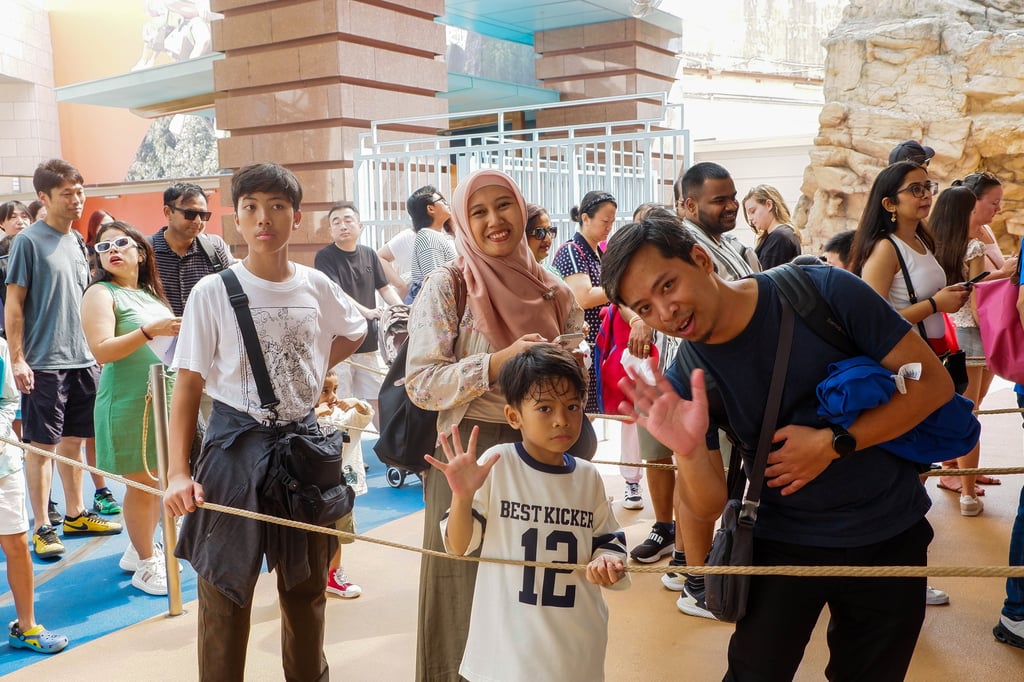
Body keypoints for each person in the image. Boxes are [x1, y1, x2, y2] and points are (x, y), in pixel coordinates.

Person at [602, 214, 950, 681]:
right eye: (645, 308)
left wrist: (833, 443)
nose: (665, 312)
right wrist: (687, 450)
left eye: (668, 285)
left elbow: (934, 385)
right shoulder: (688, 375)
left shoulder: (823, 291)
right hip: (779, 542)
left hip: (886, 528)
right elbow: (706, 505)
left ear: (701, 259)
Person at [162, 162, 366, 681]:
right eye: (250, 207)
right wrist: (177, 473)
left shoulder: (315, 284)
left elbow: (355, 329)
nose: (263, 218)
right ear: (237, 218)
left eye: (277, 206)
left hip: (303, 447)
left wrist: (317, 367)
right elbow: (188, 384)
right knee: (224, 590)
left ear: (296, 217)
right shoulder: (213, 290)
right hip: (234, 449)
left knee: (306, 589)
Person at [405, 169, 584, 681]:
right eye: (477, 212)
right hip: (469, 454)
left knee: (532, 591)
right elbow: (421, 383)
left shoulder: (554, 292)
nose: (493, 221)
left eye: (503, 205)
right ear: (462, 221)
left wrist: (569, 369)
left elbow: (576, 379)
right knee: (461, 587)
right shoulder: (450, 284)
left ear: (521, 210)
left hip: (543, 456)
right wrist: (497, 363)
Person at [427, 345, 629, 681]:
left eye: (572, 406)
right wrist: (462, 497)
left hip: (576, 645)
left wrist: (607, 563)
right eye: (545, 408)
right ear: (514, 416)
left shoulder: (588, 476)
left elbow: (608, 542)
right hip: (508, 650)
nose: (561, 419)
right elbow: (459, 545)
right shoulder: (498, 463)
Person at [648, 163, 761, 616]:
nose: (731, 206)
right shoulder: (683, 247)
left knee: (701, 479)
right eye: (720, 200)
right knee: (700, 482)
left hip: (718, 379)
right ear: (690, 204)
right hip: (697, 380)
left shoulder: (727, 244)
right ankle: (697, 584)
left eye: (733, 196)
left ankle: (684, 564)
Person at [5, 159, 123, 560]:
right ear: (44, 196)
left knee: (74, 441)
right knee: (42, 447)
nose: (77, 199)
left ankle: (75, 514)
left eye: (80, 191)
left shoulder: (75, 240)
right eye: (67, 193)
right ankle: (43, 525)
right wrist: (18, 359)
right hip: (43, 362)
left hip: (83, 360)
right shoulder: (27, 242)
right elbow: (14, 305)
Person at [850, 162, 979, 516]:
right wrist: (936, 304)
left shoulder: (920, 240)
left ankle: (903, 520)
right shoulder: (885, 249)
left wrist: (943, 300)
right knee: (912, 449)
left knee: (924, 447)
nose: (925, 196)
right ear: (889, 203)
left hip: (930, 354)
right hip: (907, 364)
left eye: (927, 187)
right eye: (915, 189)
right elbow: (872, 322)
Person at [80, 221, 181, 596]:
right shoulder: (100, 293)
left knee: (158, 481)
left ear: (140, 252)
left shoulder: (150, 294)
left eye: (121, 243)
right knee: (143, 484)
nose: (112, 251)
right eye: (103, 247)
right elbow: (102, 350)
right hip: (127, 400)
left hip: (162, 397)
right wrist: (149, 331)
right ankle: (146, 561)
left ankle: (138, 547)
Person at [0, 337, 69, 655]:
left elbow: (8, 400)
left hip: (4, 466)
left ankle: (26, 627)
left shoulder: (1, 347)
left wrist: (1, 432)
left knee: (16, 544)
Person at [314, 201, 402, 430]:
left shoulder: (369, 254)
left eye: (348, 220)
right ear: (330, 230)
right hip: (339, 343)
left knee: (375, 399)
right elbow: (336, 292)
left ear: (359, 226)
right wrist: (367, 312)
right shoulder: (325, 257)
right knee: (340, 400)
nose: (343, 226)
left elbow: (384, 288)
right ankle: (343, 448)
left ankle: (386, 445)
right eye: (336, 222)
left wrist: (403, 310)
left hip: (367, 341)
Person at [551, 190, 617, 415]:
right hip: (582, 347)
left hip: (599, 345)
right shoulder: (572, 250)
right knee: (581, 412)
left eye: (612, 222)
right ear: (586, 218)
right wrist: (620, 289)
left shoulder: (599, 252)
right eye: (605, 221)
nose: (609, 227)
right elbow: (584, 297)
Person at [315, 369, 372, 599]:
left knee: (338, 534)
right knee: (312, 535)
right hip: (312, 491)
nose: (332, 396)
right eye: (325, 391)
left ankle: (333, 574)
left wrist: (357, 403)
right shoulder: (304, 419)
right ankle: (311, 575)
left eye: (335, 390)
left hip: (340, 490)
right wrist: (313, 415)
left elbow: (364, 416)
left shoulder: (342, 416)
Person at [151, 182, 233, 318]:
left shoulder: (215, 252)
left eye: (203, 215)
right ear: (168, 212)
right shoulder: (145, 253)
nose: (198, 221)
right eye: (190, 214)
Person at [406, 185, 456, 303]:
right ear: (430, 208)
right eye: (442, 200)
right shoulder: (428, 237)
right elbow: (436, 283)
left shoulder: (434, 235)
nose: (447, 203)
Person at [743, 184, 801, 269]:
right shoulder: (781, 234)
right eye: (748, 214)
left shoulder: (779, 237)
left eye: (753, 211)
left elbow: (767, 275)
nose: (750, 218)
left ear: (769, 205)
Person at [525, 203, 558, 272]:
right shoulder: (513, 274)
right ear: (523, 236)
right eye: (540, 232)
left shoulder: (553, 273)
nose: (548, 239)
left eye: (550, 230)